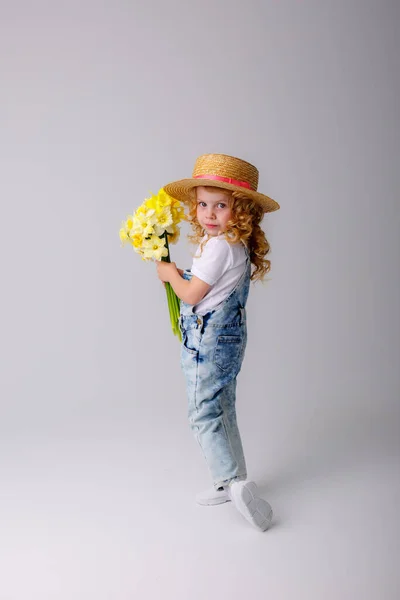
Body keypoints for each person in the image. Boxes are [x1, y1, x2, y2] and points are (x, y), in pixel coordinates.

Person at [156, 153, 280, 532]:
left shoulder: (218, 247)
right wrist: (183, 275)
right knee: (223, 408)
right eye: (204, 203)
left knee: (203, 413)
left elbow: (193, 296)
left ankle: (232, 482)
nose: (209, 213)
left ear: (240, 211)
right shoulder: (231, 244)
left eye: (221, 205)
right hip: (229, 338)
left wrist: (168, 274)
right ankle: (234, 480)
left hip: (206, 341)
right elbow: (210, 288)